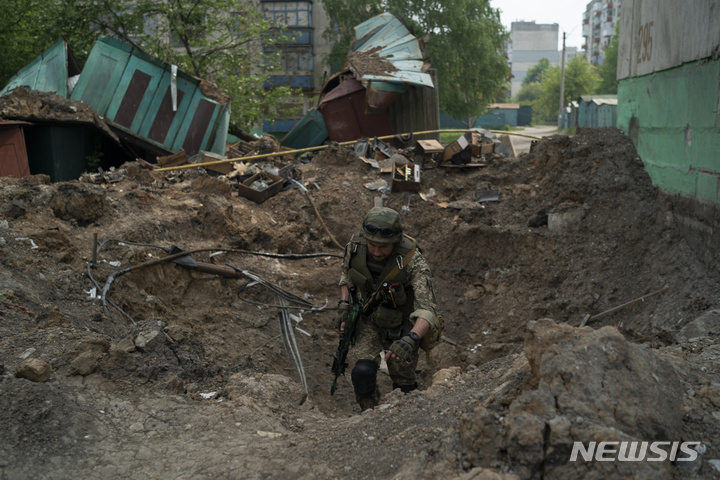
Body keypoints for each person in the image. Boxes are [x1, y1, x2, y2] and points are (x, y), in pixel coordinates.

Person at [335, 206, 439, 411]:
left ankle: (405, 418)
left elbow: (427, 309)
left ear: (396, 242)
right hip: (369, 321)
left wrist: (412, 338)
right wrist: (344, 305)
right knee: (362, 372)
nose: (376, 251)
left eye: (383, 247)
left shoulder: (413, 261)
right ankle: (369, 413)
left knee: (405, 385)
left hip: (402, 326)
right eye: (372, 245)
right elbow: (346, 276)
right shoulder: (355, 246)